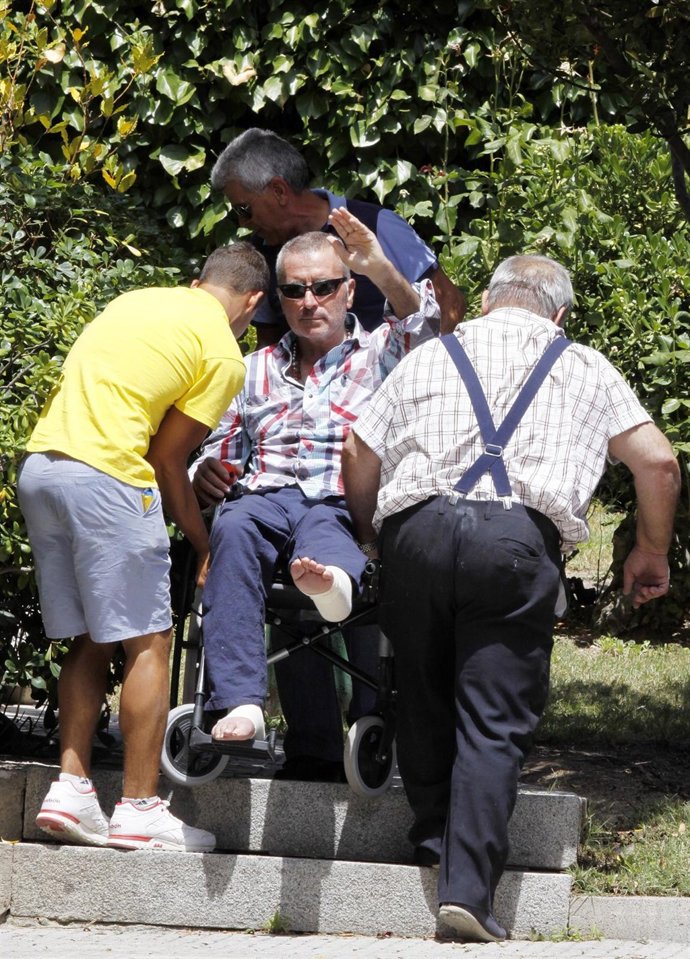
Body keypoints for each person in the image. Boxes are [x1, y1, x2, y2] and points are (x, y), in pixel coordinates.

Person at [341, 254, 680, 942]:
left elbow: (358, 448)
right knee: (492, 717)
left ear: (491, 303)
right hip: (515, 540)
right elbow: (660, 461)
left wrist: (373, 535)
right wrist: (649, 549)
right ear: (559, 316)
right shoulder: (583, 365)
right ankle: (466, 892)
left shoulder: (431, 356)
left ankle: (434, 839)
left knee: (424, 692)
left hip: (417, 530)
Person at [17, 244, 269, 852]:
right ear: (254, 302)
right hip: (107, 480)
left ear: (196, 281)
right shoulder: (222, 353)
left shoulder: (137, 302)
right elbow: (166, 459)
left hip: (42, 471)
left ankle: (71, 789)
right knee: (149, 639)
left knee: (95, 633)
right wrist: (204, 541)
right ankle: (139, 807)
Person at [190, 207, 440, 775]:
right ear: (280, 299)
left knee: (326, 532)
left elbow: (425, 330)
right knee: (233, 524)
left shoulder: (381, 355)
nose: (310, 301)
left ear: (349, 292)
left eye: (324, 287)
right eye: (295, 291)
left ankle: (333, 585)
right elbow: (222, 450)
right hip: (264, 500)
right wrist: (201, 472)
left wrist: (381, 266)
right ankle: (244, 703)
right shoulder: (249, 369)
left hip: (343, 501)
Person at [210, 127, 464, 346]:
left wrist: (421, 369)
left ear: (279, 190)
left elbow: (449, 303)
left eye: (243, 208)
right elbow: (269, 343)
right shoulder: (259, 259)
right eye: (293, 290)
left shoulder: (374, 225)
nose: (243, 222)